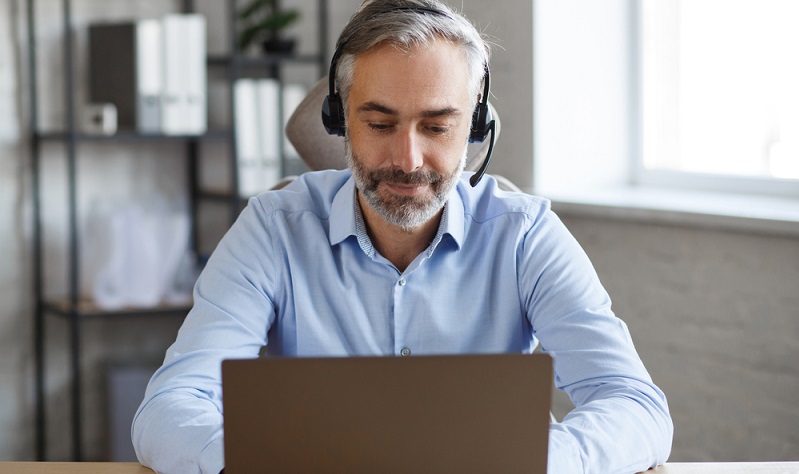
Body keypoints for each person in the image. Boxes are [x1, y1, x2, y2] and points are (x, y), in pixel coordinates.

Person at [132, 0, 673, 472]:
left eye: (437, 127)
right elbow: (170, 405)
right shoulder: (274, 228)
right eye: (380, 124)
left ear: (476, 128)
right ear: (340, 118)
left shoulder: (525, 235)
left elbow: (636, 406)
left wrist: (531, 462)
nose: (408, 161)